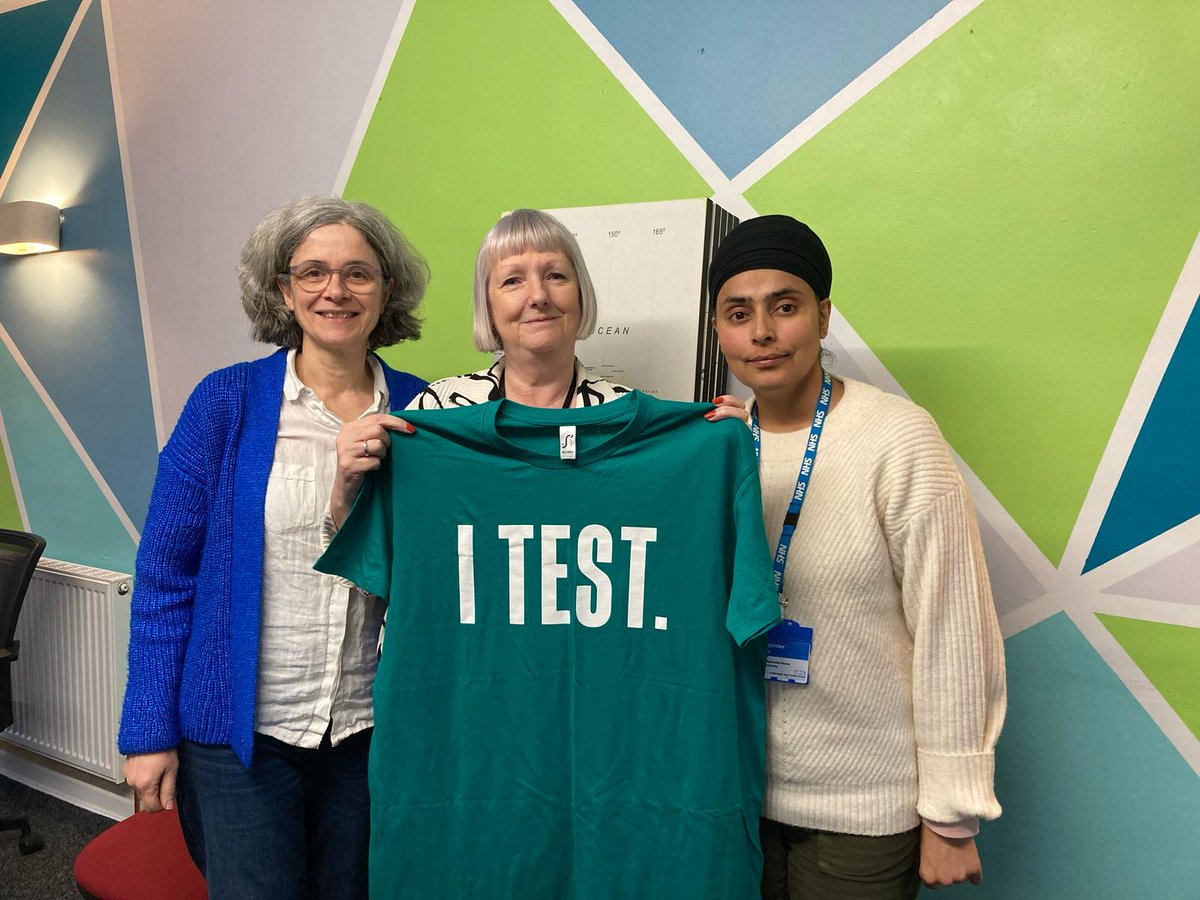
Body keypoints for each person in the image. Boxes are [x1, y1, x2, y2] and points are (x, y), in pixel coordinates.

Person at [118, 195, 428, 899]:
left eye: (358, 272)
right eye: (312, 272)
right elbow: (165, 577)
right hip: (239, 739)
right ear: (283, 290)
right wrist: (146, 731)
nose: (335, 290)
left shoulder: (425, 411)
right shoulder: (224, 404)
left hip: (369, 731)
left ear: (387, 289)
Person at [709, 214, 1006, 900]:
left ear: (822, 316)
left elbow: (954, 628)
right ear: (719, 330)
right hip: (734, 795)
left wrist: (952, 815)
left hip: (861, 811)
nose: (761, 331)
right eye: (738, 312)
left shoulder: (897, 438)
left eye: (785, 307)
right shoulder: (715, 445)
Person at [331, 207, 743, 526]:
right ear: (488, 307)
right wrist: (346, 492)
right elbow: (382, 568)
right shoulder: (436, 413)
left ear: (581, 293)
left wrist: (722, 447)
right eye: (512, 281)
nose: (539, 296)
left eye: (556, 275)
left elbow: (673, 541)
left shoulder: (629, 423)